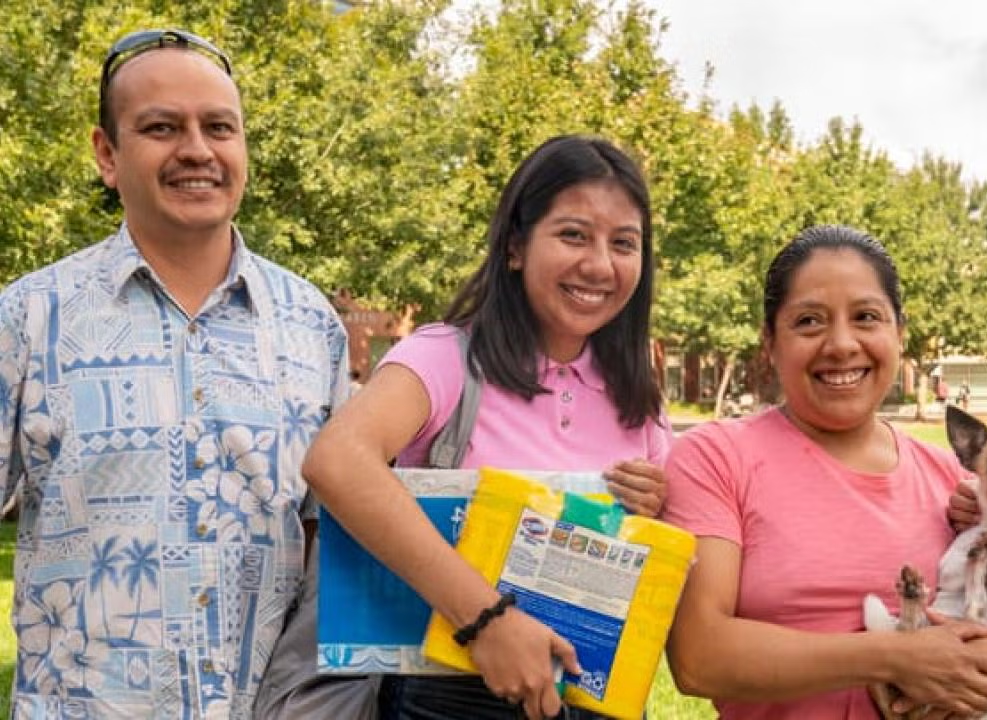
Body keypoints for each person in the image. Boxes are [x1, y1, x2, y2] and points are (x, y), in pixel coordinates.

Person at [0, 29, 349, 717]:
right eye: (161, 127)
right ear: (107, 154)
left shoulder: (313, 329)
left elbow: (327, 545)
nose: (197, 149)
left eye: (219, 127)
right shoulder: (28, 318)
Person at [295, 135, 670, 720]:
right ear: (516, 247)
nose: (600, 264)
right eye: (573, 235)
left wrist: (656, 508)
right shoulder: (445, 357)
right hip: (450, 695)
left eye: (624, 243)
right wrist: (486, 619)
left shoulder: (637, 395)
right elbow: (337, 461)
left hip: (593, 699)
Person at [660, 225, 987, 719]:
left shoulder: (961, 483)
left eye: (867, 317)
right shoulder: (715, 458)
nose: (841, 344)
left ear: (900, 333)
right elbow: (699, 657)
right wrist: (894, 658)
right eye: (809, 321)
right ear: (769, 341)